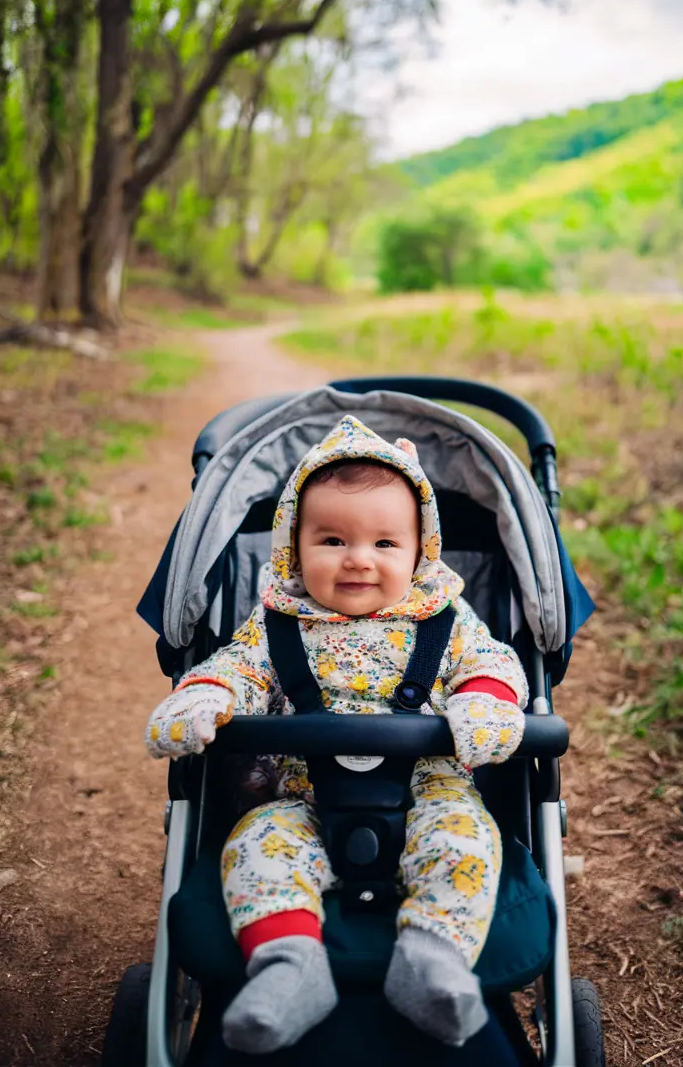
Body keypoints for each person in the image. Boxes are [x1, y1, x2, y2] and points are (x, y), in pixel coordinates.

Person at [145, 414, 528, 1055]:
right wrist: (205, 697)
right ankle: (288, 965)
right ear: (293, 548)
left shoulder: (445, 619)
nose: (357, 559)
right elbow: (235, 669)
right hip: (300, 797)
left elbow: (493, 664)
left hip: (431, 789)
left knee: (465, 846)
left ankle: (434, 961)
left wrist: (485, 703)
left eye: (385, 544)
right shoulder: (277, 625)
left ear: (420, 552)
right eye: (331, 541)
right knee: (256, 849)